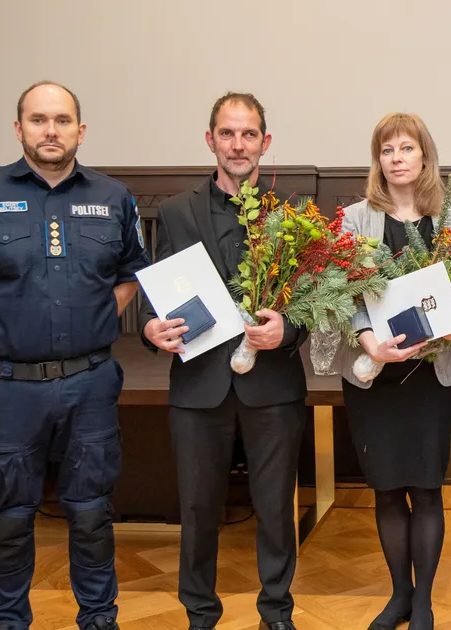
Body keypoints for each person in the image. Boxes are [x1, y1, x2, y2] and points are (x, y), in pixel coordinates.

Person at [0, 81, 149, 630]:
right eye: (37, 120)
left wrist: (99, 316)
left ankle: (99, 619)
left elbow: (128, 275)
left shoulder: (114, 197)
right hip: (10, 386)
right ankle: (6, 622)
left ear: (81, 129)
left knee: (91, 514)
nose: (50, 130)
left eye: (61, 120)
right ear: (18, 128)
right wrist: (2, 326)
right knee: (8, 519)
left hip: (90, 383)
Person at [140, 92, 305, 630]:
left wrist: (287, 330)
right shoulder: (174, 212)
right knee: (197, 510)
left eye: (249, 134)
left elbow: (311, 302)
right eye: (228, 134)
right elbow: (154, 297)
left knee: (277, 510)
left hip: (273, 386)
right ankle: (200, 614)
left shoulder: (293, 217)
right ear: (210, 139)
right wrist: (151, 327)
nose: (238, 144)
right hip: (198, 385)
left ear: (266, 142)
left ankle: (276, 613)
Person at [336, 112, 451, 630]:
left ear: (424, 156)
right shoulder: (354, 219)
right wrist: (369, 340)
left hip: (431, 377)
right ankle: (399, 596)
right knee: (387, 489)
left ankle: (425, 603)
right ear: (378, 161)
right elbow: (338, 292)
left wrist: (443, 330)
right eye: (387, 151)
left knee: (427, 488)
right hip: (374, 375)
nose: (396, 159)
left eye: (406, 148)